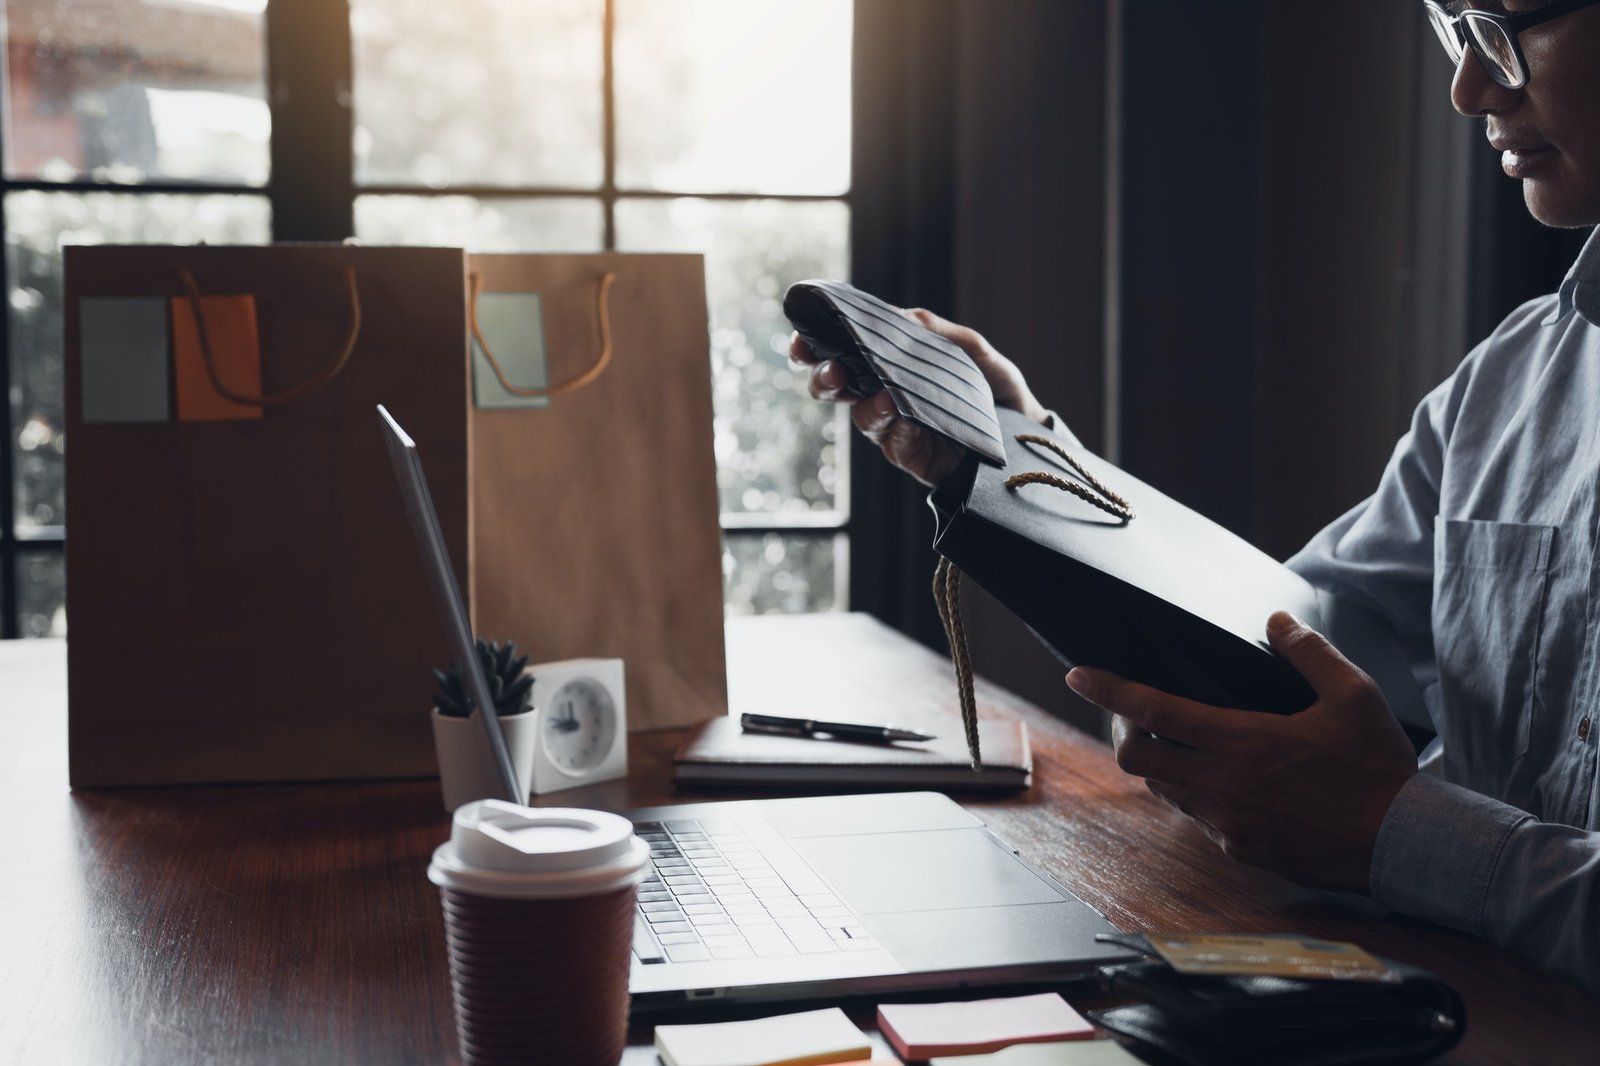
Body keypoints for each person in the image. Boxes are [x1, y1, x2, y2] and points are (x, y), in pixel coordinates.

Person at [791, 0, 1600, 993]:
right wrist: (1011, 462)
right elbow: (1299, 638)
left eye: (1504, 32)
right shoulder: (1514, 377)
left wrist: (1398, 831)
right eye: (1456, 30)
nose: (1469, 87)